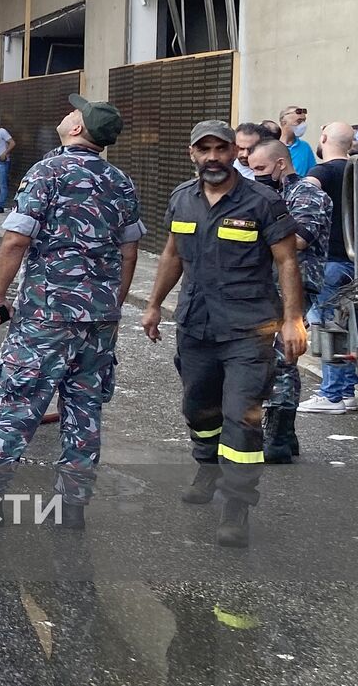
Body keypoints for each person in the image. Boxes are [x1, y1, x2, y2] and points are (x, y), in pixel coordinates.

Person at [0, 95, 143, 530]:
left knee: (18, 402)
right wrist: (113, 303)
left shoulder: (47, 172)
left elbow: (15, 240)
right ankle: (73, 508)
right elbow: (129, 249)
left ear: (78, 128)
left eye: (74, 112)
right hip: (100, 320)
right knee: (85, 410)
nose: (67, 113)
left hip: (48, 316)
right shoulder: (120, 180)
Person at [143, 121, 307, 549]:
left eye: (221, 148)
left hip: (249, 328)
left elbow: (287, 261)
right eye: (205, 150)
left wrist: (293, 319)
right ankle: (208, 467)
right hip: (196, 324)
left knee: (242, 416)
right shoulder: (182, 199)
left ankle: (237, 505)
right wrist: (154, 303)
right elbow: (172, 254)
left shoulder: (263, 201)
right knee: (199, 408)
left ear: (236, 151)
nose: (213, 157)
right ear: (191, 154)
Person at [247, 139, 330, 461]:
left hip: (295, 287)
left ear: (280, 163)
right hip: (269, 286)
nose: (256, 176)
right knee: (274, 357)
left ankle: (279, 436)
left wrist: (250, 231)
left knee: (281, 360)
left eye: (261, 169)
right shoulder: (274, 196)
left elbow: (298, 240)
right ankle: (286, 435)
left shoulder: (307, 195)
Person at [299, 122, 358, 413]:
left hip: (331, 261)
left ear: (323, 139)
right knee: (349, 328)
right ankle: (347, 391)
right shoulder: (354, 171)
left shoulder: (320, 173)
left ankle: (332, 394)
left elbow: (306, 201)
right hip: (352, 263)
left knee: (327, 326)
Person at [279, 105, 316, 176]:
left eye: (304, 121)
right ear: (284, 122)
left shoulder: (305, 147)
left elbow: (312, 173)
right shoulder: (273, 146)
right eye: (299, 121)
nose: (303, 125)